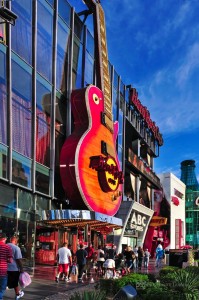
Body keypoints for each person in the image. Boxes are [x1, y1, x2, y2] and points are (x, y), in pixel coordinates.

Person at [0, 233, 13, 300]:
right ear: (5, 239)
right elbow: (11, 260)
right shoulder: (7, 247)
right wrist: (7, 260)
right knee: (2, 288)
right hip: (2, 271)